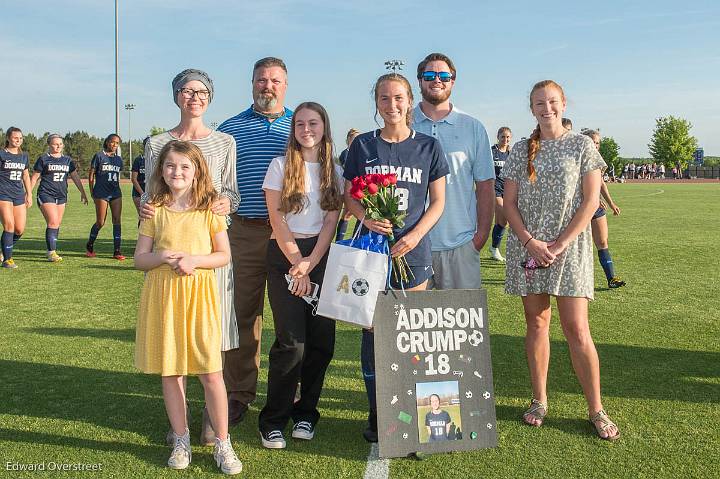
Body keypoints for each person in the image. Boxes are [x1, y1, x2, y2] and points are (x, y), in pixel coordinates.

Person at [501, 80, 620, 441]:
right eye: (539, 103)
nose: (546, 108)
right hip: (528, 249)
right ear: (532, 107)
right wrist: (530, 242)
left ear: (563, 104)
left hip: (571, 251)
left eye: (552, 101)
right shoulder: (521, 149)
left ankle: (596, 409)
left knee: (577, 330)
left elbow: (589, 202)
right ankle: (539, 400)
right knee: (537, 324)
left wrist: (560, 243)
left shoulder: (583, 145)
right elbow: (509, 203)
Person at [343, 72, 448, 442]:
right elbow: (350, 196)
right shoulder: (362, 147)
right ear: (376, 103)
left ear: (409, 100)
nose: (392, 105)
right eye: (384, 99)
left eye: (399, 98)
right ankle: (378, 412)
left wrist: (416, 234)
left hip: (413, 252)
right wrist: (365, 217)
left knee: (410, 336)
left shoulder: (428, 147)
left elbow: (438, 202)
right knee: (374, 335)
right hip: (373, 253)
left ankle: (411, 416)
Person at [140, 68, 240, 445]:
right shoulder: (156, 143)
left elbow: (232, 192)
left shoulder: (224, 142)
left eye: (201, 91)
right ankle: (178, 426)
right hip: (170, 252)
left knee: (210, 342)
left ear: (210, 97)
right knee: (173, 341)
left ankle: (214, 423)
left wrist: (223, 203)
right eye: (186, 90)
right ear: (176, 96)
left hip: (208, 250)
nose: (194, 97)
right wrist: (147, 211)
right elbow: (152, 194)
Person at [134, 140, 243, 474]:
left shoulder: (210, 208)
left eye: (184, 167)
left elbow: (223, 255)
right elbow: (140, 259)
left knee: (210, 371)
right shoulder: (154, 208)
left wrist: (195, 260)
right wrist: (163, 257)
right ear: (161, 170)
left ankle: (223, 443)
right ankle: (180, 439)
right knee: (172, 370)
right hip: (164, 296)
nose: (176, 172)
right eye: (170, 166)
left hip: (200, 297)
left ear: (197, 171)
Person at [258, 102, 343, 448]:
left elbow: (330, 222)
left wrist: (311, 263)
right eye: (300, 124)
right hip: (284, 256)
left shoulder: (334, 171)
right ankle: (273, 419)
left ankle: (306, 413)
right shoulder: (279, 165)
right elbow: (277, 221)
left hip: (321, 259)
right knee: (292, 344)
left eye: (313, 123)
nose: (306, 129)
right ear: (293, 130)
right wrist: (298, 263)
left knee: (321, 344)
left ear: (324, 127)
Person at [218, 57, 293, 426]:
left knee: (289, 318)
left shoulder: (302, 124)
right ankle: (238, 393)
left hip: (290, 233)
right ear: (251, 84)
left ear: (286, 85)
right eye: (262, 80)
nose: (268, 86)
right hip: (244, 230)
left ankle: (287, 395)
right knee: (242, 315)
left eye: (275, 80)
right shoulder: (230, 129)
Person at [411, 53, 494, 289]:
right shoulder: (404, 124)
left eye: (444, 76)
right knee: (412, 323)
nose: (437, 80)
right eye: (429, 75)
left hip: (461, 245)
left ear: (453, 81)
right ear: (419, 81)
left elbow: (485, 185)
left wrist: (480, 236)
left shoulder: (473, 127)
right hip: (411, 246)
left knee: (464, 325)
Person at [30, 134, 88, 262]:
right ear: (49, 145)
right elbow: (34, 178)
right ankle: (51, 252)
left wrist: (82, 192)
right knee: (53, 222)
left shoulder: (67, 160)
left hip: (62, 195)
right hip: (46, 194)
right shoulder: (43, 159)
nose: (58, 146)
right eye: (55, 144)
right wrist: (28, 193)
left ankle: (51, 249)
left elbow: (75, 177)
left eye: (60, 144)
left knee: (56, 224)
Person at [582, 130, 625, 289]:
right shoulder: (575, 158)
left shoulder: (599, 161)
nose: (595, 145)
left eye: (597, 142)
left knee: (602, 241)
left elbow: (600, 184)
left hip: (596, 207)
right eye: (592, 141)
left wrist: (611, 203)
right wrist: (589, 198)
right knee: (569, 244)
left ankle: (611, 278)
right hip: (578, 209)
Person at [86, 133, 124, 260]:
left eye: (117, 143)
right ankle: (90, 245)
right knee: (100, 222)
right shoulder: (99, 156)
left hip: (115, 193)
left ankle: (117, 251)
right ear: (107, 142)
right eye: (112, 142)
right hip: (101, 193)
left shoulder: (118, 159)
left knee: (117, 220)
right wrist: (92, 192)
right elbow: (91, 176)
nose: (114, 145)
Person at [0, 127, 32, 269]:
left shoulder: (24, 156)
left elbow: (25, 175)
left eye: (20, 138)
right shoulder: (1, 154)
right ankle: (8, 259)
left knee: (19, 230)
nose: (18, 140)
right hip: (3, 193)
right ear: (8, 138)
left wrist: (29, 193)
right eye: (15, 138)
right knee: (9, 226)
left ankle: (3, 250)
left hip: (18, 194)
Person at [489, 127, 512, 262]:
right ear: (498, 137)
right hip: (494, 189)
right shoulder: (491, 152)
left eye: (508, 137)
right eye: (503, 137)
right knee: (504, 216)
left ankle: (494, 248)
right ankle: (494, 248)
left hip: (507, 190)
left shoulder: (511, 153)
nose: (505, 139)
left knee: (502, 221)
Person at [335, 128, 360, 241]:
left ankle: (356, 240)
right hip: (349, 187)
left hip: (360, 187)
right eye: (354, 139)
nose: (356, 142)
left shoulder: (361, 152)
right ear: (348, 140)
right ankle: (339, 240)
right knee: (347, 214)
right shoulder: (346, 154)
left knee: (360, 215)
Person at [131, 137, 149, 217]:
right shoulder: (138, 160)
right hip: (139, 193)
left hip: (152, 193)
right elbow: (134, 179)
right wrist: (142, 194)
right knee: (142, 217)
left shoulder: (156, 160)